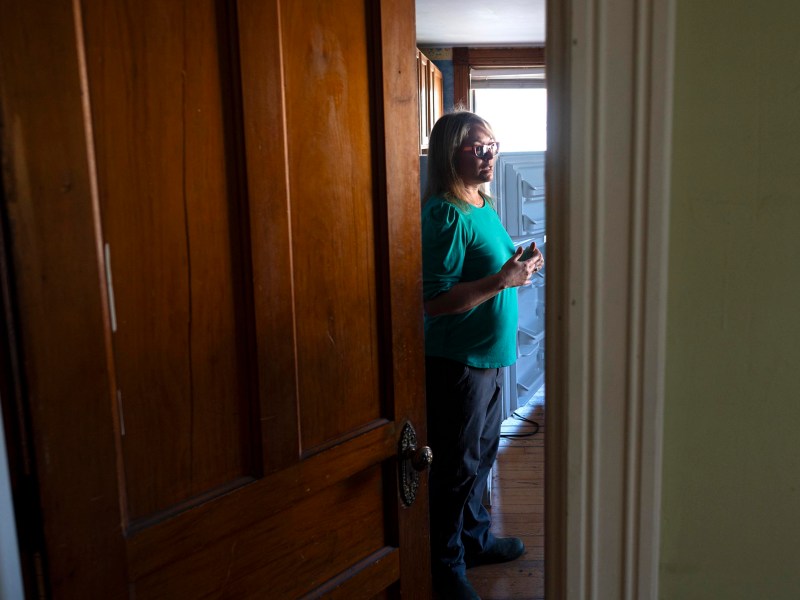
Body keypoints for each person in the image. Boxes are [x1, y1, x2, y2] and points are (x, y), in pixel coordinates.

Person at [421, 111, 544, 599]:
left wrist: (518, 267)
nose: (490, 154)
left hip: (490, 360)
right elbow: (433, 302)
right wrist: (503, 280)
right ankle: (445, 566)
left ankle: (474, 541)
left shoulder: (481, 204)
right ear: (452, 153)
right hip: (459, 363)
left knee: (481, 457)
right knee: (455, 468)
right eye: (478, 147)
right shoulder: (445, 213)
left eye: (493, 145)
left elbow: (491, 272)